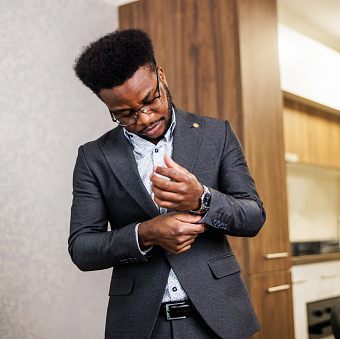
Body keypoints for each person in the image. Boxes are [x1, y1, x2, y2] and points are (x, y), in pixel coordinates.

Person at [68, 28, 266, 339]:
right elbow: (82, 248)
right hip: (141, 326)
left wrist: (201, 198)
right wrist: (146, 233)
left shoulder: (217, 134)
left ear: (161, 76)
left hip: (220, 320)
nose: (145, 118)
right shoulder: (93, 157)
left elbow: (253, 217)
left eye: (150, 100)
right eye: (125, 114)